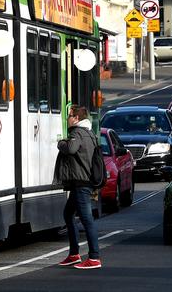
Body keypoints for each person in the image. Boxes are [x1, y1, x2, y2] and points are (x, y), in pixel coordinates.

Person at [53, 105, 101, 269]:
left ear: (76, 118)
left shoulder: (78, 132)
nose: (68, 118)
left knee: (86, 219)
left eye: (70, 115)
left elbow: (71, 148)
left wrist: (61, 143)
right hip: (81, 182)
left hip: (81, 182)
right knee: (68, 214)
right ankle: (74, 254)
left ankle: (94, 257)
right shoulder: (89, 133)